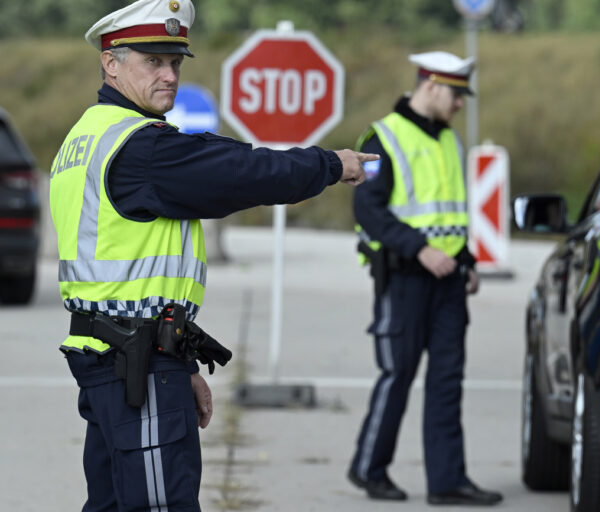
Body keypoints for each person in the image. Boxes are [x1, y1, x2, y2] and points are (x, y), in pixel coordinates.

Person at [48, 0, 374, 510]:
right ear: (111, 62)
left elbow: (126, 279)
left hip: (118, 362)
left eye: (175, 62)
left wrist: (180, 365)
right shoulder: (140, 148)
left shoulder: (84, 137)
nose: (170, 74)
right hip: (138, 371)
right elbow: (240, 172)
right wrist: (331, 164)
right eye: (153, 61)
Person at [347, 51, 503, 506]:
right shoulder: (381, 139)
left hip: (449, 280)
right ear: (431, 86)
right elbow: (368, 210)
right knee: (398, 374)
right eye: (456, 94)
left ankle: (447, 481)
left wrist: (467, 260)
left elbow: (451, 215)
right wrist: (420, 249)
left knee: (447, 380)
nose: (460, 104)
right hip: (404, 278)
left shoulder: (449, 141)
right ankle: (369, 469)